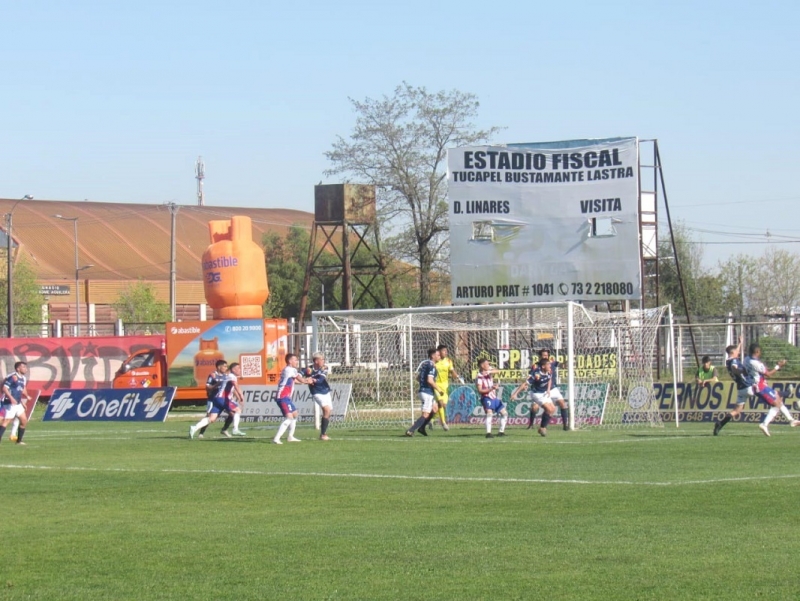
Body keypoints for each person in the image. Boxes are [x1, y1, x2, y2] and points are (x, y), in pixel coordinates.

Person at [744, 343, 800, 436]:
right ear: (757, 351)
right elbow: (768, 374)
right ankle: (764, 424)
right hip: (761, 387)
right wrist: (778, 366)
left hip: (755, 385)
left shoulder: (746, 359)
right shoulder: (757, 363)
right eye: (760, 351)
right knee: (776, 405)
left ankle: (791, 420)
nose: (760, 353)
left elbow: (761, 371)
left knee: (778, 400)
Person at [189, 362, 246, 439]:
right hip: (223, 398)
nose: (240, 370)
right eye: (238, 368)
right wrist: (241, 396)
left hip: (217, 399)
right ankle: (235, 429)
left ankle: (194, 427)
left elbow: (230, 383)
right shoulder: (231, 376)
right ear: (233, 369)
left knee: (212, 418)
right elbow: (236, 386)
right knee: (237, 410)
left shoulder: (228, 376)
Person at [714, 337, 752, 435]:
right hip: (748, 386)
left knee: (736, 410)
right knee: (767, 395)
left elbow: (734, 355)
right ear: (732, 352)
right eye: (737, 351)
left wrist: (740, 343)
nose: (738, 353)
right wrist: (739, 372)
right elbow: (734, 367)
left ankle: (720, 423)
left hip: (740, 388)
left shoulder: (729, 360)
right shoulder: (734, 361)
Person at [405, 348, 444, 437]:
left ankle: (422, 428)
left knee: (435, 409)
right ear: (432, 356)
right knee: (426, 414)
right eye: (438, 355)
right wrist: (439, 390)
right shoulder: (432, 366)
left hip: (424, 391)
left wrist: (424, 385)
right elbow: (430, 380)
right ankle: (410, 430)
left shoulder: (426, 364)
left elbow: (418, 378)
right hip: (427, 393)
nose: (439, 356)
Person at [273, 353, 309, 444]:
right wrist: (308, 380)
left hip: (286, 397)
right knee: (289, 418)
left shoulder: (288, 370)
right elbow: (300, 379)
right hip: (282, 397)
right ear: (290, 361)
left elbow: (295, 381)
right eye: (295, 360)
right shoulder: (291, 369)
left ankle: (290, 436)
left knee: (295, 414)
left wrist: (305, 381)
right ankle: (276, 438)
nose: (297, 362)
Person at [431, 344, 464, 431]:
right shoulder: (434, 361)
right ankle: (444, 423)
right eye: (444, 351)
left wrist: (458, 377)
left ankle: (431, 419)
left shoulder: (448, 361)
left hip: (445, 386)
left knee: (443, 405)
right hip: (436, 385)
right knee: (441, 403)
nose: (446, 352)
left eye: (446, 351)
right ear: (438, 352)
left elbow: (452, 371)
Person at [198, 360, 232, 438]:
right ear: (219, 367)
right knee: (210, 417)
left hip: (223, 399)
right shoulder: (213, 375)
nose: (226, 368)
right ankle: (201, 433)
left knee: (233, 413)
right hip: (213, 400)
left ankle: (224, 429)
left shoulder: (226, 376)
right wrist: (217, 384)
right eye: (225, 366)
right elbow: (208, 388)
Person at [0, 362, 32, 445]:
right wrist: (11, 398)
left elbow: (21, 390)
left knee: (24, 420)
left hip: (17, 404)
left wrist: (26, 397)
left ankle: (19, 441)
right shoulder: (13, 377)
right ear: (18, 369)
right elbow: (4, 388)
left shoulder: (23, 378)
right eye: (23, 367)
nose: (26, 368)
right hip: (10, 403)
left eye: (26, 367)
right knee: (6, 421)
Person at [475, 357, 507, 439]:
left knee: (504, 413)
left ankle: (501, 431)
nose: (489, 365)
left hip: (494, 397)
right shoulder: (479, 377)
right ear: (482, 365)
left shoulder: (489, 371)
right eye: (487, 364)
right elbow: (480, 390)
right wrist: (491, 389)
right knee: (489, 413)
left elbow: (498, 371)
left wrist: (489, 371)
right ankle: (488, 433)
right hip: (486, 397)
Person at [538, 349, 570, 431]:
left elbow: (562, 365)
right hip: (541, 391)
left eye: (546, 355)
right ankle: (541, 426)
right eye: (543, 355)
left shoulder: (552, 363)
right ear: (540, 356)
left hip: (553, 388)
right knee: (539, 408)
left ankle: (565, 425)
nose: (545, 356)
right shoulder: (537, 366)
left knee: (563, 404)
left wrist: (567, 363)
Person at [307, 352, 333, 441]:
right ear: (316, 361)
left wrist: (312, 380)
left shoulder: (324, 368)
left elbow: (321, 379)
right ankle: (323, 434)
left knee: (328, 412)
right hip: (316, 392)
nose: (323, 361)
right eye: (322, 359)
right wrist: (304, 380)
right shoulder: (308, 369)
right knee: (326, 409)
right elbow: (298, 375)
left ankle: (323, 433)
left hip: (326, 391)